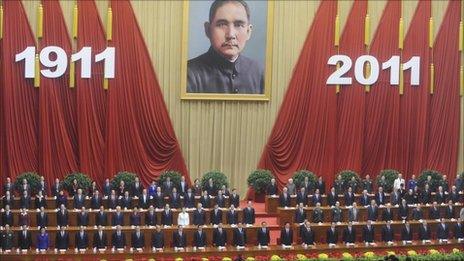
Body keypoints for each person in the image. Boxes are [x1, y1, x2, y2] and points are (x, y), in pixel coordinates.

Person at [187, 0, 263, 94]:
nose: (230, 35)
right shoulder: (188, 73)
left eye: (238, 25)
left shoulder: (260, 72)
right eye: (222, 24)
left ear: (248, 32)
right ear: (208, 30)